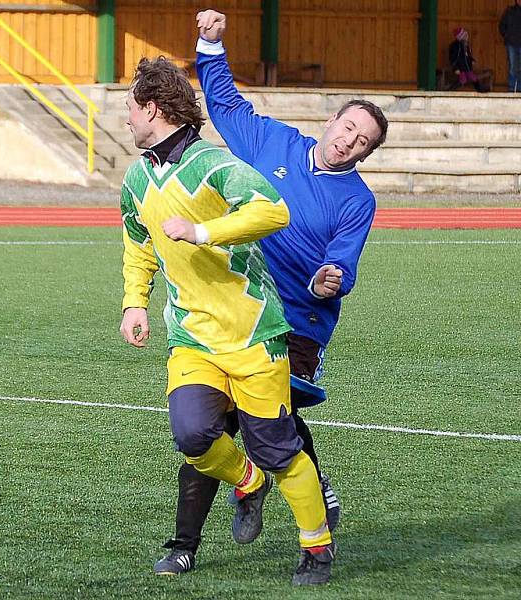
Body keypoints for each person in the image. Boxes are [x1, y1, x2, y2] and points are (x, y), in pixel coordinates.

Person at [151, 9, 388, 578]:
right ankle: (184, 544)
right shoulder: (274, 142)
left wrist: (331, 278)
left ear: (365, 155)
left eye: (362, 142)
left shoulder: (357, 201)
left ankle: (308, 519)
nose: (348, 142)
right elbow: (228, 106)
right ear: (331, 121)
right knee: (206, 425)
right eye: (347, 127)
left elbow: (342, 265)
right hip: (232, 308)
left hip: (296, 327)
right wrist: (210, 46)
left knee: (263, 428)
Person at [119, 56, 335, 585]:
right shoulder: (137, 177)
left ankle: (317, 549)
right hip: (192, 337)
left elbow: (272, 211)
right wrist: (133, 302)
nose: (125, 118)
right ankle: (246, 481)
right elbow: (138, 239)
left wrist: (202, 233)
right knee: (191, 433)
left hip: (254, 336)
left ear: (152, 109)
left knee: (282, 452)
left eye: (130, 107)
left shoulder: (212, 165)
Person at [447, 27, 487, 92]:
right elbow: (453, 58)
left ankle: (481, 90)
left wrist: (472, 60)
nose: (467, 36)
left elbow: (467, 55)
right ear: (461, 37)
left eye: (466, 35)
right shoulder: (455, 46)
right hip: (460, 67)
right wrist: (455, 68)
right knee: (463, 79)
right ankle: (450, 91)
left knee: (473, 77)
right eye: (465, 35)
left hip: (467, 66)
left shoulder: (465, 45)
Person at [500, 0, 521, 92]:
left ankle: (520, 89)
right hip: (511, 43)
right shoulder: (509, 11)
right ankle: (512, 88)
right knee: (513, 67)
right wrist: (506, 36)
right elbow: (501, 25)